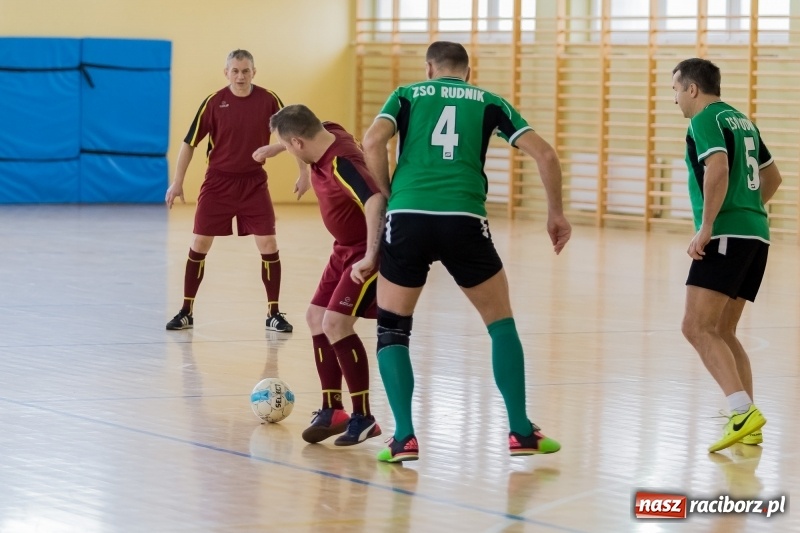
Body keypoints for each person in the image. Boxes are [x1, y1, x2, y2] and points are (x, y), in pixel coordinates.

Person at [354, 41, 572, 463]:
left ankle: (404, 439)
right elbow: (545, 154)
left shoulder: (407, 94)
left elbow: (371, 141)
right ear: (468, 72)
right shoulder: (490, 102)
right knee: (500, 324)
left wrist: (387, 191)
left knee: (393, 329)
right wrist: (556, 214)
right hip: (465, 219)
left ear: (429, 68)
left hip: (410, 215)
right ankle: (521, 431)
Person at [672, 58, 781, 453]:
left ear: (692, 89)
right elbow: (773, 177)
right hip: (756, 236)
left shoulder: (704, 119)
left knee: (696, 327)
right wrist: (747, 208)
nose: (676, 100)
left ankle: (742, 412)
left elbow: (716, 169)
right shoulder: (741, 120)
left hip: (727, 235)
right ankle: (747, 420)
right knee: (722, 331)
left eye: (676, 90)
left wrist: (708, 224)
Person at [264, 104, 388, 445]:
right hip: (343, 249)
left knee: (336, 322)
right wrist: (277, 147)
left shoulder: (341, 164)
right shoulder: (327, 126)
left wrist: (372, 256)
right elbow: (308, 131)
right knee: (316, 316)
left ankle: (363, 417)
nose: (289, 152)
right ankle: (333, 409)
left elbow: (376, 200)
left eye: (288, 146)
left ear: (299, 143)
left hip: (366, 249)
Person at [165, 49, 296, 333]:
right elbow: (189, 143)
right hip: (218, 183)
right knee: (199, 244)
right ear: (226, 72)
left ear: (254, 72)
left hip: (253, 183)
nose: (240, 76)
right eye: (235, 71)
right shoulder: (213, 103)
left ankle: (273, 313)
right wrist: (177, 181)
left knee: (269, 245)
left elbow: (292, 135)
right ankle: (186, 311)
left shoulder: (269, 100)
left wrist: (296, 166)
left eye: (245, 71)